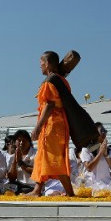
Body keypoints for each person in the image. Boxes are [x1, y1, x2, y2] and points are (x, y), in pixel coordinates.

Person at [28, 51, 74, 197]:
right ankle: (37, 190)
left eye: (41, 63)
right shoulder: (61, 80)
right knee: (43, 156)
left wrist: (38, 126)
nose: (40, 67)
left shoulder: (50, 82)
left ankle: (69, 192)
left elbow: (49, 105)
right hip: (57, 124)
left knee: (54, 158)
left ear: (47, 64)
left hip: (52, 125)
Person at [6, 129, 37, 194]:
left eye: (24, 140)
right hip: (19, 185)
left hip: (33, 186)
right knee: (1, 189)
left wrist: (20, 163)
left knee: (20, 192)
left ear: (29, 142)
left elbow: (37, 173)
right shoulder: (12, 156)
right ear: (15, 142)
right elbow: (12, 178)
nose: (21, 143)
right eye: (19, 140)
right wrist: (15, 160)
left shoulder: (36, 154)